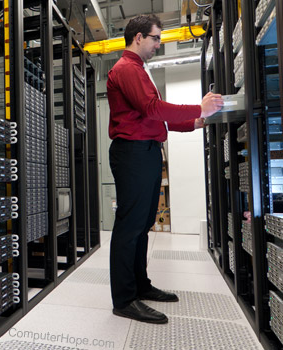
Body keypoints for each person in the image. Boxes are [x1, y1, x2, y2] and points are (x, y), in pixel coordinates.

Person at [107, 14, 223, 324]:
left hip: (145, 152)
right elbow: (152, 109)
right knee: (129, 227)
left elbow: (157, 118)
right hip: (132, 154)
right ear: (138, 38)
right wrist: (199, 106)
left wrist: (192, 122)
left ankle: (140, 286)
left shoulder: (140, 71)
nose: (159, 44)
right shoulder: (126, 69)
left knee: (143, 224)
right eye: (156, 38)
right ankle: (124, 299)